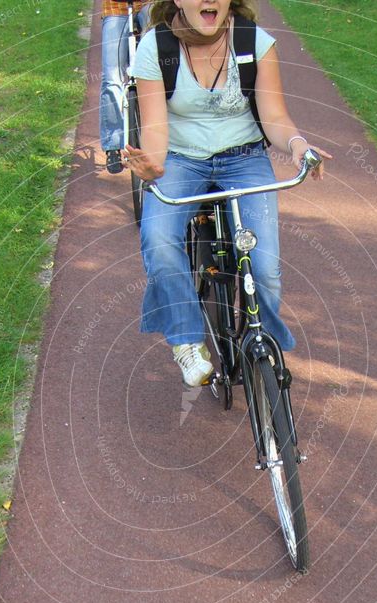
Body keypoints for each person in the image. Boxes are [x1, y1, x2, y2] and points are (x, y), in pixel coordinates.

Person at [123, 0, 331, 386]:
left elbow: (275, 119)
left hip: (245, 158)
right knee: (158, 237)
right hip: (181, 159)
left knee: (264, 265)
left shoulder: (255, 42)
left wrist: (300, 145)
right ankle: (186, 340)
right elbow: (154, 128)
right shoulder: (157, 47)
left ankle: (264, 341)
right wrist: (152, 166)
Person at [99, 0, 151, 173]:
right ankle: (113, 144)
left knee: (160, 63)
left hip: (149, 4)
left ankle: (169, 133)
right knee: (112, 77)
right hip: (116, 7)